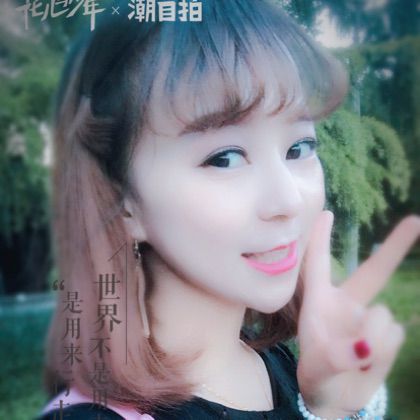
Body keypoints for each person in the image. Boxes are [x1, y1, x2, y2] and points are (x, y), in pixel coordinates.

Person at [37, 0, 420, 419]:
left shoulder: (277, 362)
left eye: (299, 148)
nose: (289, 200)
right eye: (225, 158)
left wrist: (332, 408)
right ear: (121, 199)